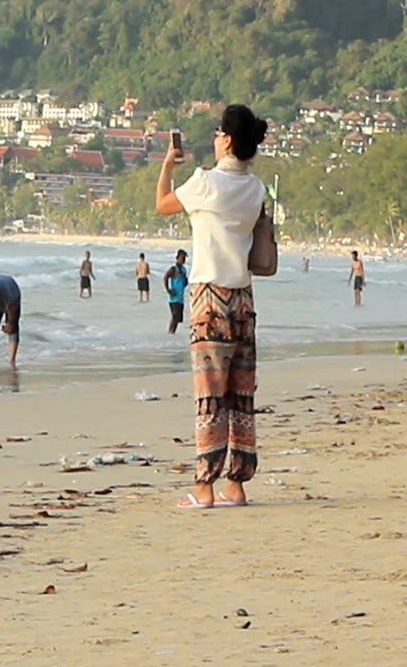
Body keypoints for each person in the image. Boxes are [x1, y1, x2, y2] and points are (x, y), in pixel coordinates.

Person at [156, 103, 268, 509]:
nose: (216, 136)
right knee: (241, 395)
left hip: (209, 297)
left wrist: (168, 163)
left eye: (220, 131)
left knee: (209, 395)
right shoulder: (256, 188)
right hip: (243, 296)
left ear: (227, 140)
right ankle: (236, 484)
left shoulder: (204, 182)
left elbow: (164, 203)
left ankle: (204, 486)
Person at [164, 249, 190, 335]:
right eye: (182, 258)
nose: (184, 260)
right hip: (174, 297)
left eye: (185, 258)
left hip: (180, 297)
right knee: (174, 316)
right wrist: (168, 289)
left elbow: (184, 282)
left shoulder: (183, 270)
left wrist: (185, 282)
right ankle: (170, 332)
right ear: (177, 257)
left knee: (178, 318)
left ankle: (173, 333)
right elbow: (165, 277)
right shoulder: (173, 269)